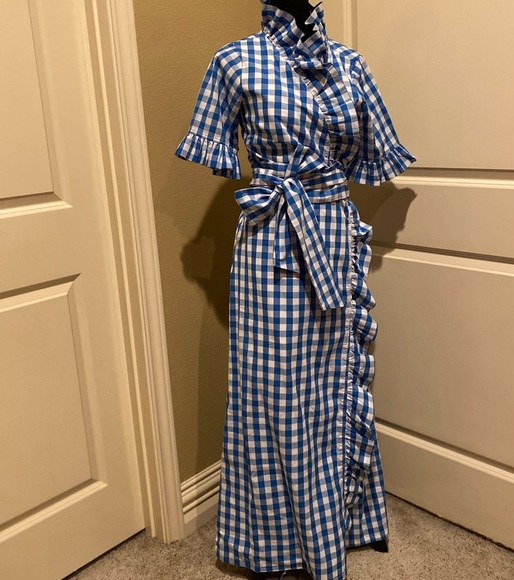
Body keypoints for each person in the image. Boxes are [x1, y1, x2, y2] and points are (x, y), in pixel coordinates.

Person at [175, 2, 415, 578]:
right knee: (275, 388)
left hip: (332, 231)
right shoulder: (234, 61)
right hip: (271, 234)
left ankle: (340, 524)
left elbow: (371, 154)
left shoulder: (350, 65)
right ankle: (278, 544)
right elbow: (212, 146)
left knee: (334, 381)